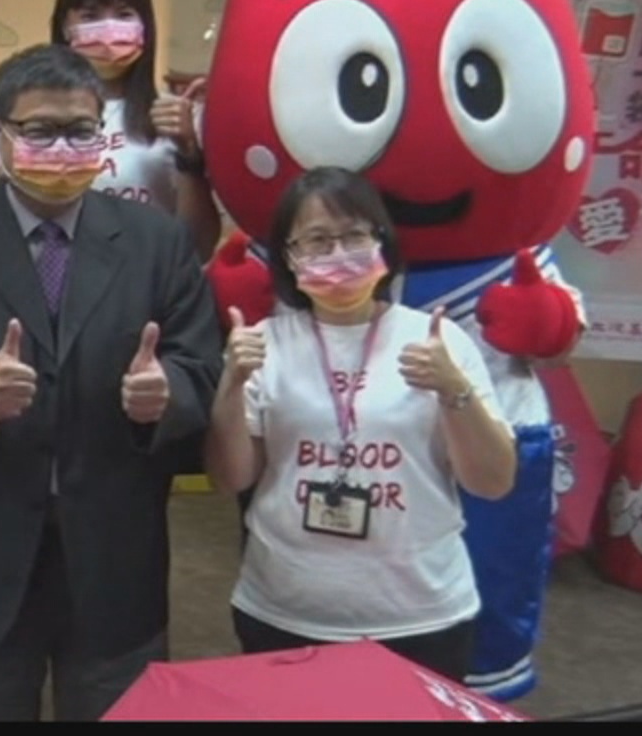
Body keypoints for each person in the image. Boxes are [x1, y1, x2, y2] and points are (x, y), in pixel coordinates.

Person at [0, 43, 223, 722]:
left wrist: (164, 397)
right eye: (40, 130)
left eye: (80, 130)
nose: (62, 148)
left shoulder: (156, 242)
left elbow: (199, 365)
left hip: (114, 553)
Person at [204, 166, 518, 680]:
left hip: (420, 615)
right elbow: (230, 478)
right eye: (317, 241)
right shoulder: (266, 344)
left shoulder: (438, 341)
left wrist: (452, 389)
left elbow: (494, 481)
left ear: (381, 242)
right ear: (289, 256)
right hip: (284, 608)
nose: (338, 254)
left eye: (353, 236)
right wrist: (231, 384)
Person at [48, 0, 219, 258]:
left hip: (151, 281)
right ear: (64, 27)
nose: (108, 30)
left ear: (145, 26)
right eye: (90, 16)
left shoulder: (173, 116)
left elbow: (199, 247)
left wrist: (189, 154)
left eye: (124, 14)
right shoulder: (38, 120)